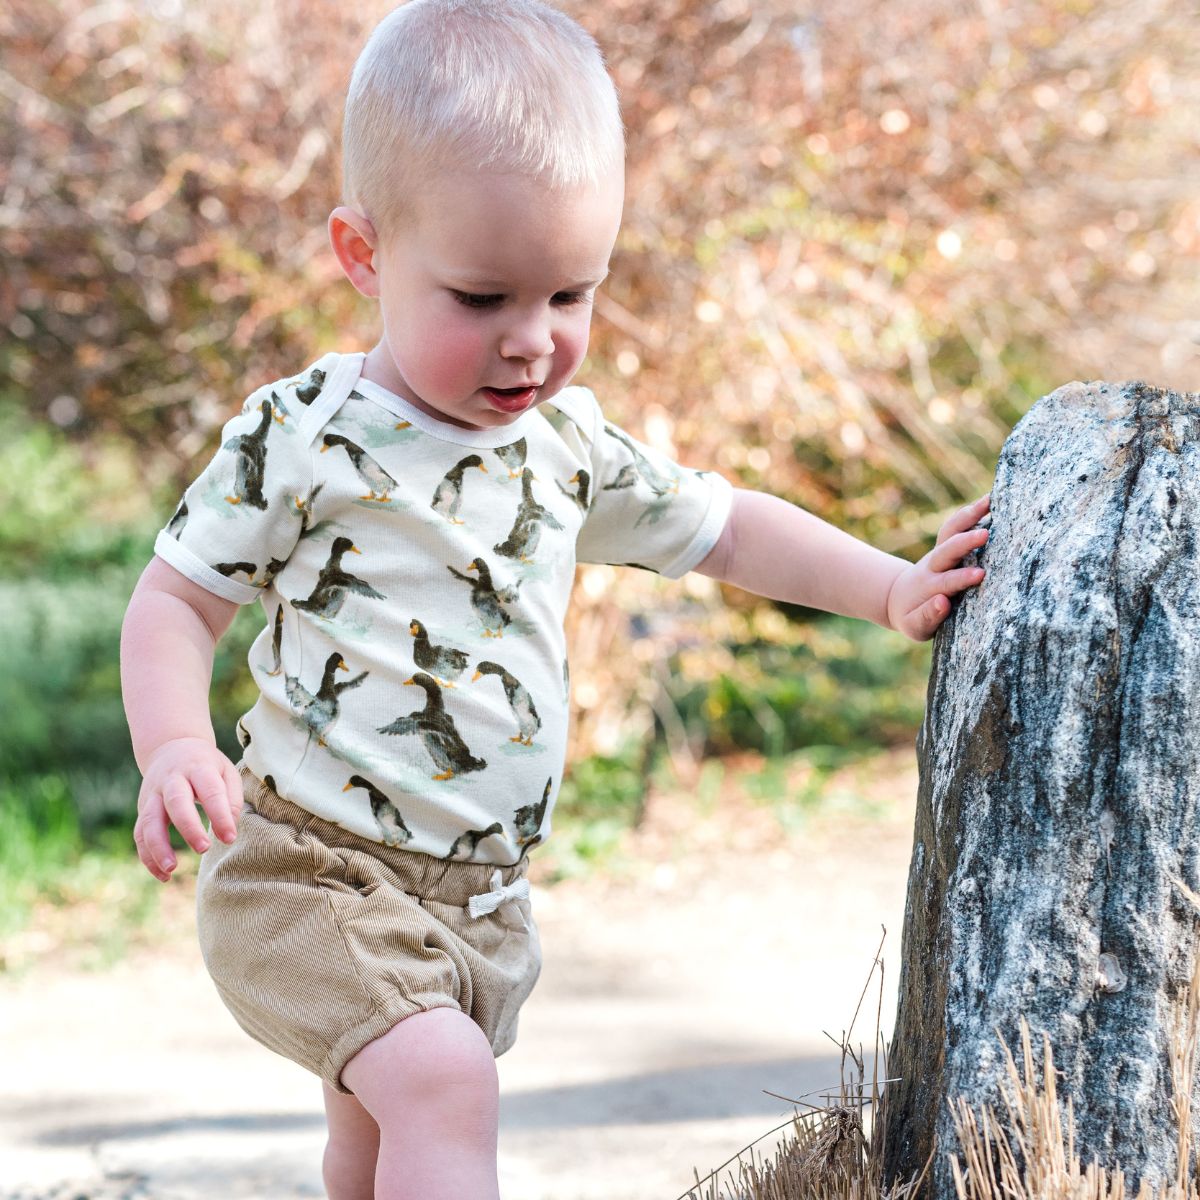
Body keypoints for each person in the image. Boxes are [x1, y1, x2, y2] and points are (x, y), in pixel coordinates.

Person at [118, 2, 990, 1197]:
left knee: (378, 1140)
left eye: (570, 296)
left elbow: (726, 527)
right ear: (364, 254)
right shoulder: (306, 436)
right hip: (307, 868)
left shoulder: (564, 447)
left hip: (476, 896)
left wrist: (889, 586)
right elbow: (174, 602)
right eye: (482, 300)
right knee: (443, 1087)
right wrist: (171, 743)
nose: (533, 343)